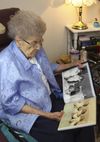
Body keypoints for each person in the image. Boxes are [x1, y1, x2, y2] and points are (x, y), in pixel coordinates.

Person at [0, 10, 95, 142]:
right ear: (18, 40)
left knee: (86, 121)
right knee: (62, 137)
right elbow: (11, 103)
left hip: (48, 99)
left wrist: (73, 64)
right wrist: (48, 115)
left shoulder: (34, 47)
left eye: (41, 41)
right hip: (27, 113)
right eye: (35, 42)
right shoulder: (5, 62)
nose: (39, 47)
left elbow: (48, 68)